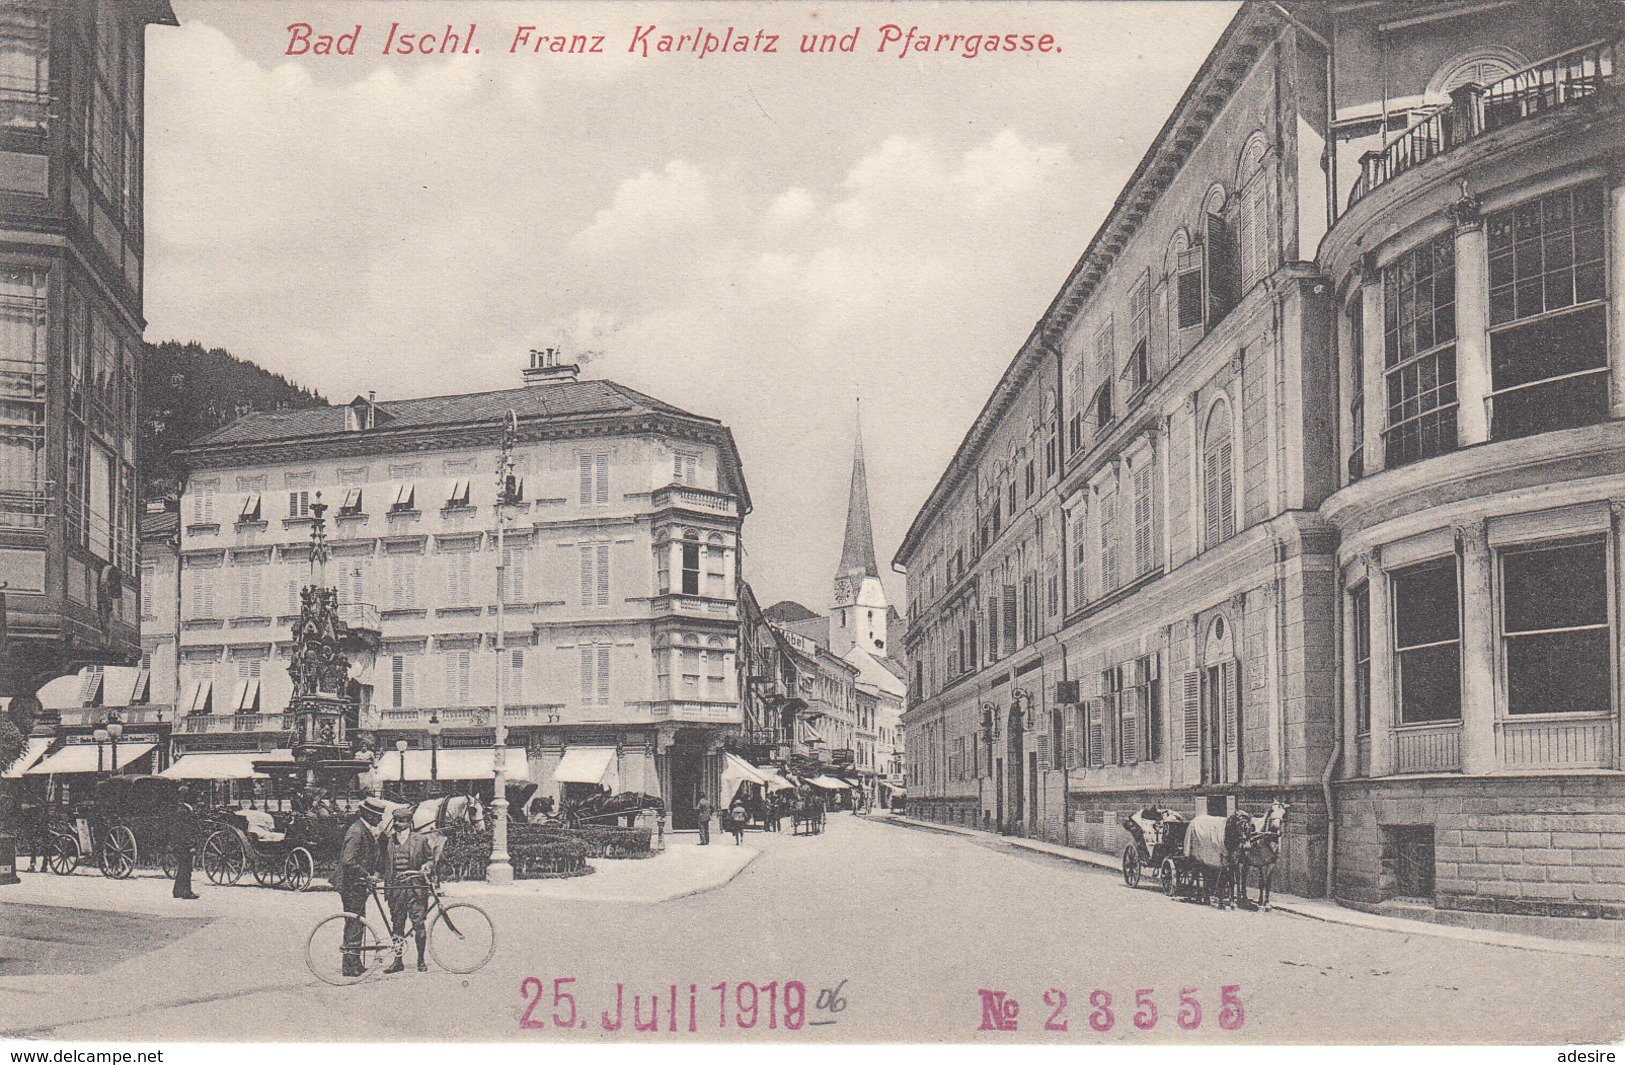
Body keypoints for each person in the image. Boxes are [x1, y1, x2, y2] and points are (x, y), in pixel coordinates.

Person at [334, 800, 386, 978]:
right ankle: (349, 966)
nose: (380, 820)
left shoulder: (362, 829)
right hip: (351, 884)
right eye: (378, 816)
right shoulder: (357, 831)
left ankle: (354, 962)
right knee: (354, 922)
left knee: (357, 922)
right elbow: (348, 861)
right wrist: (367, 875)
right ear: (369, 815)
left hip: (356, 884)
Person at [382, 805, 435, 974]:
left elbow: (430, 860)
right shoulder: (388, 841)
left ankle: (421, 960)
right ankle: (398, 961)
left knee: (418, 925)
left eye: (402, 821)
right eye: (396, 821)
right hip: (396, 890)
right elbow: (380, 863)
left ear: (409, 822)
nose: (398, 824)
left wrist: (427, 867)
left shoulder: (420, 840)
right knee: (397, 926)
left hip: (415, 890)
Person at [172, 785, 201, 900]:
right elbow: (185, 831)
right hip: (184, 844)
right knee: (186, 867)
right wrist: (191, 845)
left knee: (183, 867)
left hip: (180, 843)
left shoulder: (182, 809)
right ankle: (186, 891)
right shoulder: (184, 811)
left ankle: (177, 890)